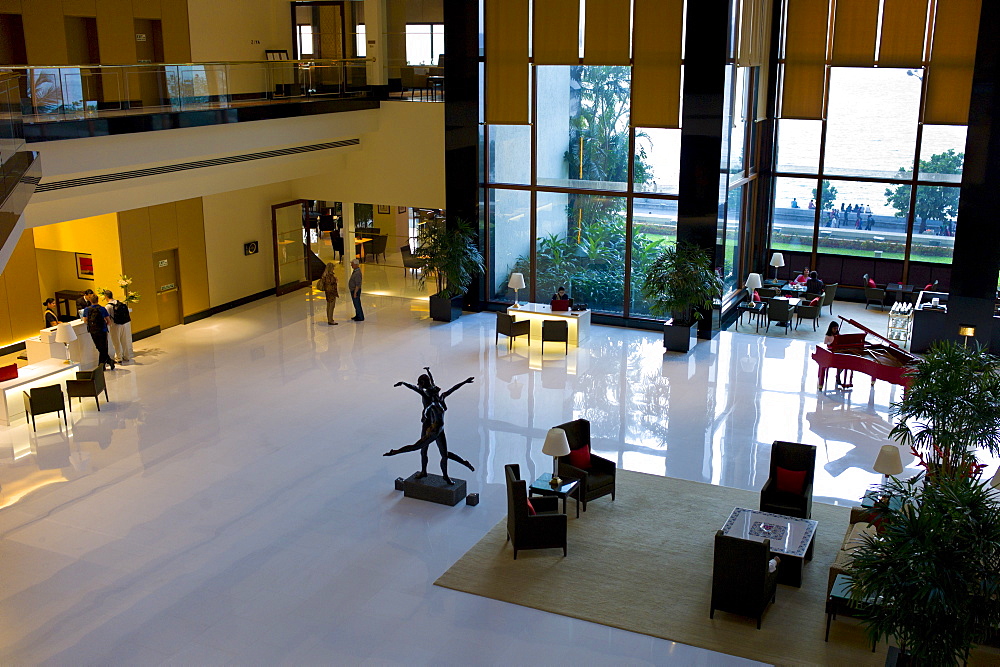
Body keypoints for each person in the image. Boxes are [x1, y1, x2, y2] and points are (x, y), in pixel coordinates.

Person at [383, 368, 476, 484]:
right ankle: (420, 468)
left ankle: (447, 474)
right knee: (422, 449)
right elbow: (423, 394)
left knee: (439, 453)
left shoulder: (436, 397)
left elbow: (450, 389)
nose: (435, 390)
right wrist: (405, 383)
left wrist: (465, 382)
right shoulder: (433, 398)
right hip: (432, 428)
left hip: (436, 429)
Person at [83, 293, 114, 371]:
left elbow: (85, 320)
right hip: (102, 330)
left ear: (90, 300)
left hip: (93, 331)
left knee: (99, 347)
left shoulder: (87, 309)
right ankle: (106, 363)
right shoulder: (102, 309)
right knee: (103, 347)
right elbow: (109, 321)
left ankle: (102, 364)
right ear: (98, 300)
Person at [103, 290, 132, 363]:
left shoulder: (108, 306)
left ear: (106, 296)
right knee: (124, 340)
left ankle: (119, 357)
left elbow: (107, 317)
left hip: (114, 325)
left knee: (116, 342)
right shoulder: (118, 302)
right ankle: (126, 355)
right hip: (122, 324)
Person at [823, 322, 850, 389]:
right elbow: (826, 345)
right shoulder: (828, 337)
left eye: (837, 328)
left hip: (838, 353)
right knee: (839, 362)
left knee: (844, 363)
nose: (836, 330)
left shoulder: (838, 336)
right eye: (834, 328)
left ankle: (838, 376)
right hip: (831, 355)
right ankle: (838, 377)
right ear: (831, 328)